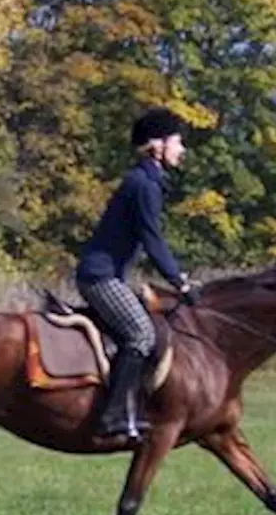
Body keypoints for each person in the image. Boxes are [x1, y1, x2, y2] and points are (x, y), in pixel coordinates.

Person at [75, 107, 199, 443]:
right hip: (100, 277)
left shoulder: (146, 181)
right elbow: (152, 239)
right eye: (177, 142)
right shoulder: (144, 185)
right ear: (157, 145)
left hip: (109, 274)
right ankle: (111, 417)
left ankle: (130, 408)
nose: (182, 149)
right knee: (141, 335)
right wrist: (179, 282)